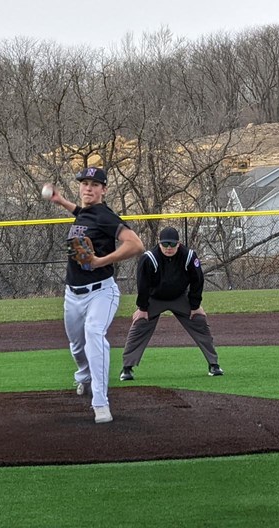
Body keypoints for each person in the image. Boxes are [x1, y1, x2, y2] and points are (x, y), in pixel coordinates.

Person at [45, 167, 144, 424]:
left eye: (94, 184)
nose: (88, 188)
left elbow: (136, 244)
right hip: (73, 294)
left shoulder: (105, 215)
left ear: (104, 190)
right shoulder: (86, 213)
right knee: (77, 347)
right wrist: (62, 202)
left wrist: (101, 261)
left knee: (94, 335)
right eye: (84, 183)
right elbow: (82, 213)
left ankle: (100, 402)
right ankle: (84, 376)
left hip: (101, 291)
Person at [120, 226, 221, 381]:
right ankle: (127, 368)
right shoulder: (149, 258)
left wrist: (195, 306)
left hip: (179, 297)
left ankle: (214, 365)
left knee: (199, 322)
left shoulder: (188, 256)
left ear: (178, 244)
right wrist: (142, 308)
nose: (168, 248)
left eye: (172, 245)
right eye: (165, 244)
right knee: (140, 324)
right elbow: (143, 285)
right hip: (154, 298)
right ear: (159, 243)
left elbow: (197, 280)